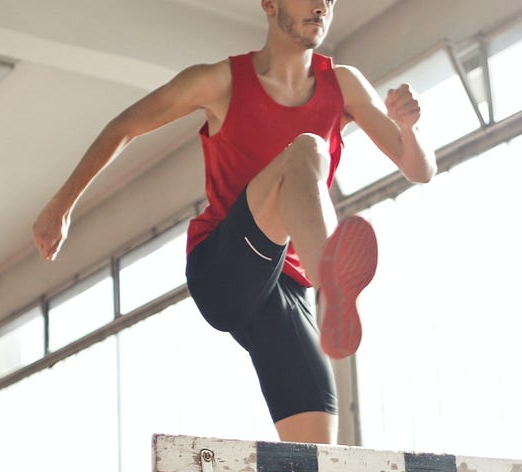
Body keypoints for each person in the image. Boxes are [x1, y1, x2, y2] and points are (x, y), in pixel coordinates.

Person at [31, 0, 435, 445]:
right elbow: (124, 127)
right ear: (269, 3)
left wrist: (410, 128)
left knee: (315, 459)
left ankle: (327, 291)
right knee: (307, 150)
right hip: (225, 267)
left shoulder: (344, 84)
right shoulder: (221, 82)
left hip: (286, 292)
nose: (322, 5)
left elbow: (418, 169)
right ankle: (333, 285)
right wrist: (61, 205)